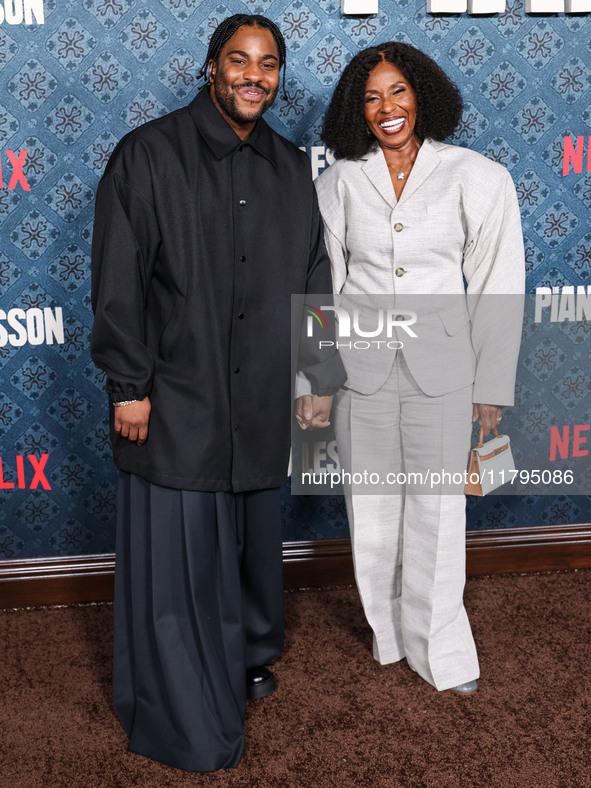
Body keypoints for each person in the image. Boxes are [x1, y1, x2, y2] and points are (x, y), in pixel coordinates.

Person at [90, 14, 344, 772]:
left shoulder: (292, 167)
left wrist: (316, 376)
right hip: (178, 395)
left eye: (268, 65)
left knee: (249, 538)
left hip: (263, 394)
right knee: (181, 549)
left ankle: (244, 651)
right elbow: (118, 282)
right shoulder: (147, 155)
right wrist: (129, 384)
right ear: (210, 68)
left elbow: (315, 281)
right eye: (239, 60)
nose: (254, 76)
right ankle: (182, 686)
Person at [315, 42, 525, 694]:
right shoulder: (338, 180)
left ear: (422, 95)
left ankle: (441, 650)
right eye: (371, 96)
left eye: (398, 92)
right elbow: (325, 286)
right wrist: (314, 380)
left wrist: (488, 396)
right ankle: (387, 637)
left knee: (437, 517)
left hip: (443, 372)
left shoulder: (476, 176)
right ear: (358, 107)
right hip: (361, 373)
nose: (387, 108)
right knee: (370, 516)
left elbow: (497, 287)